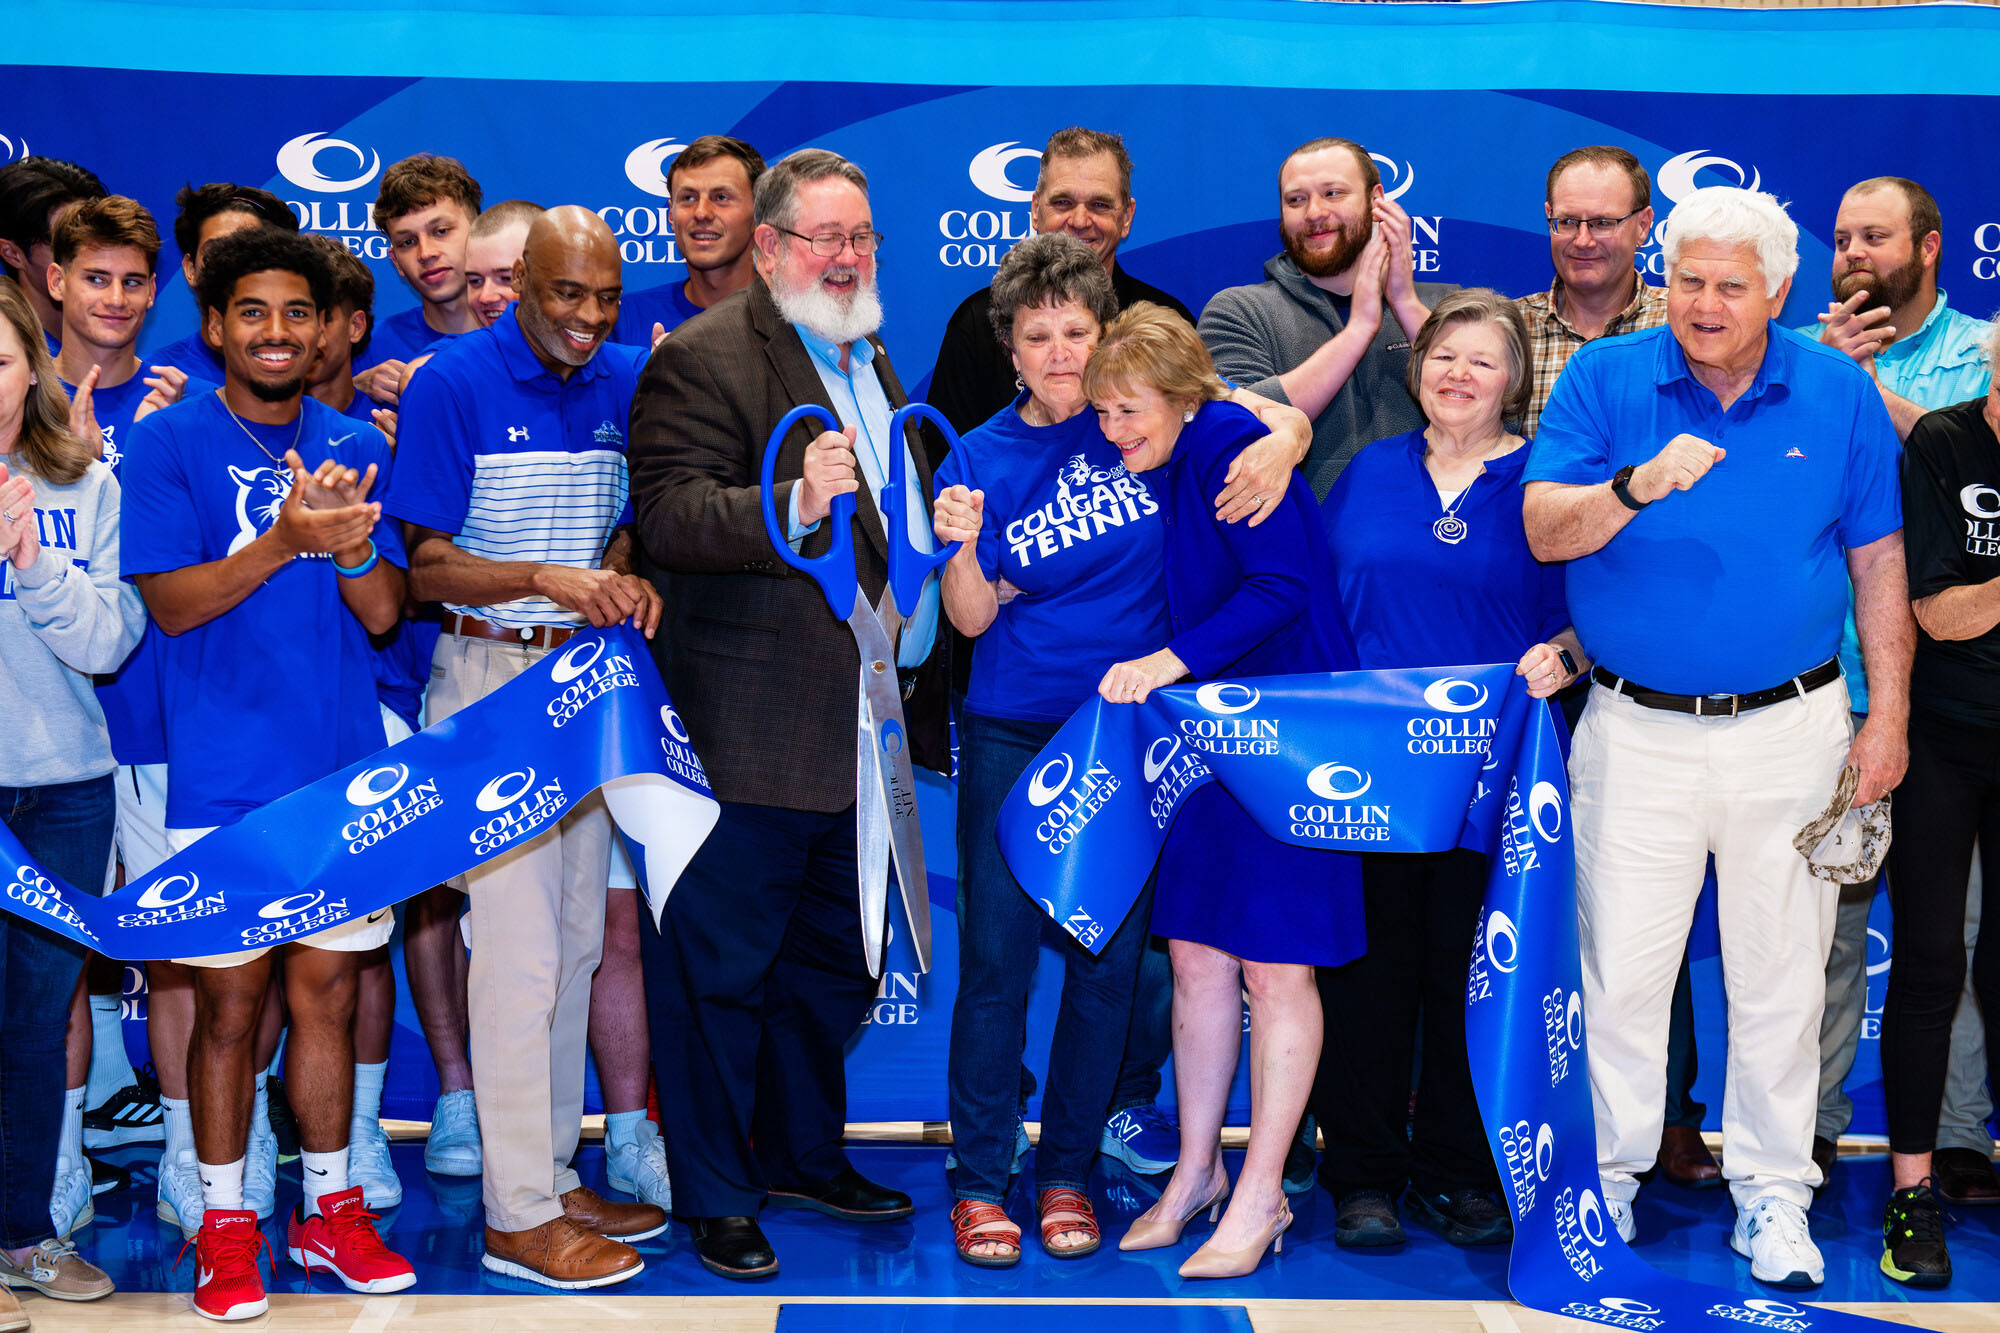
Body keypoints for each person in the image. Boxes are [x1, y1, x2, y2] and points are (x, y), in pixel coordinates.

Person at [1522, 186, 1911, 1290]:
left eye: (1728, 286)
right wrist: (1636, 483)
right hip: (1631, 730)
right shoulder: (1606, 378)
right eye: (1687, 279)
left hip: (1791, 728)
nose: (1702, 303)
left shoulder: (1836, 391)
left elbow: (1876, 563)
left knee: (1780, 977)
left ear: (1776, 292)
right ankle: (1602, 1184)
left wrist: (1882, 716)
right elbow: (1543, 524)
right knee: (1622, 973)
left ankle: (1774, 1199)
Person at [931, 233, 1312, 1267]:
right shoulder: (980, 453)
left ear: (1104, 337)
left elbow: (1260, 413)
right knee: (996, 964)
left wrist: (1284, 436)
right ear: (1006, 349)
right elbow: (966, 620)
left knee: (1108, 970)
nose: (1058, 354)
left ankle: (1063, 1172)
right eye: (1035, 335)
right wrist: (961, 542)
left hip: (1135, 735)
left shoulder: (1147, 422)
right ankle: (977, 1181)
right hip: (1013, 725)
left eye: (1075, 331)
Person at [627, 148, 948, 1281]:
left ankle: (801, 1151)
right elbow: (666, 517)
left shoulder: (870, 356)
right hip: (746, 734)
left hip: (869, 734)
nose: (850, 254)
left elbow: (886, 533)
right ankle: (715, 1192)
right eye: (826, 237)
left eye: (861, 234)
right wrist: (791, 500)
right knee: (717, 975)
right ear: (767, 250)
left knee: (832, 967)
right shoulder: (706, 358)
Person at [119, 228, 416, 1320]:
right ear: (214, 326)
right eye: (254, 313)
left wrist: (343, 544)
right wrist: (287, 537)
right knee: (230, 1008)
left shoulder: (350, 440)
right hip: (221, 780)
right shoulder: (168, 446)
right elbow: (172, 604)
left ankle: (332, 1213)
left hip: (341, 778)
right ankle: (228, 1223)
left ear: (326, 326)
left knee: (327, 994)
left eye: (297, 312)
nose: (277, 332)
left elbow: (384, 615)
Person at [385, 205, 667, 1290]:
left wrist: (620, 565)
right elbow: (426, 572)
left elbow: (628, 519)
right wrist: (548, 580)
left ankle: (549, 1171)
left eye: (605, 299)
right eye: (566, 295)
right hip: (491, 677)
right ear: (521, 284)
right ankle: (514, 1214)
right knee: (515, 952)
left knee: (577, 944)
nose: (588, 319)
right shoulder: (456, 381)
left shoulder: (624, 381)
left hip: (584, 685)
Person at [1083, 302, 1358, 1280]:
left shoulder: (1232, 444)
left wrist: (1164, 660)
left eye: (1124, 409)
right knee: (1197, 957)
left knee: (1277, 969)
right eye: (1101, 413)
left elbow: (1279, 586)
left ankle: (1261, 1187)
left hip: (1283, 740)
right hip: (1212, 734)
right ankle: (1195, 1170)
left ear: (1174, 393)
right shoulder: (1199, 439)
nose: (1112, 431)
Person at [1315, 289, 1580, 1248]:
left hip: (1493, 775)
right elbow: (1320, 604)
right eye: (1442, 356)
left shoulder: (1549, 481)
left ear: (1515, 381)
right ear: (1415, 367)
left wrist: (1571, 651)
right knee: (1367, 974)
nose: (1458, 374)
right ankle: (1364, 1175)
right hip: (1373, 776)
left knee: (1470, 972)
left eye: (1482, 360)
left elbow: (1590, 609)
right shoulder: (1370, 470)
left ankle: (1459, 1172)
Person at [1517, 146, 1714, 1191]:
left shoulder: (1688, 332)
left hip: (1651, 641)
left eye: (1602, 221)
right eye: (1564, 220)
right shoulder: (1504, 327)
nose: (1581, 239)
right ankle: (1527, 1105)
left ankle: (1667, 1114)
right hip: (1522, 641)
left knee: (1656, 903)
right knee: (1518, 889)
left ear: (1644, 224)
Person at [1801, 176, 1998, 1206]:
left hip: (1950, 687)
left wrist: (1873, 396)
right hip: (1820, 680)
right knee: (1823, 930)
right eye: (1837, 236)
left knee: (1949, 935)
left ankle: (1959, 1138)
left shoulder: (1982, 348)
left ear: (1928, 247)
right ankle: (1812, 1129)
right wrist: (1828, 380)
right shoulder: (1799, 353)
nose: (1849, 253)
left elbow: (1972, 458)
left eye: (1870, 235)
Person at [47, 196, 212, 1210]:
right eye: (95, 277)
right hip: (48, 742)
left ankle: (194, 1157)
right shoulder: (19, 409)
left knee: (185, 954)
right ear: (56, 281)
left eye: (133, 280)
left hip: (159, 726)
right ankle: (55, 1158)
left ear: (158, 291)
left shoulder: (188, 408)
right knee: (55, 961)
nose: (114, 298)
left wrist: (141, 459)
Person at [0, 275, 132, 1322]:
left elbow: (106, 642)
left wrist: (33, 558)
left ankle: (20, 1233)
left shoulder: (80, 477)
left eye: (0, 360)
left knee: (35, 1025)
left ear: (30, 368)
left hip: (62, 792)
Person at [1873, 318, 2000, 1287]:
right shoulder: (1943, 444)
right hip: (1945, 739)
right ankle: (1909, 1190)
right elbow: (1937, 610)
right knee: (1924, 965)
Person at [1199, 136, 1452, 498]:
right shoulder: (1238, 311)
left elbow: (1496, 417)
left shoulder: (1444, 307)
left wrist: (1404, 301)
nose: (1314, 212)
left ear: (1377, 201)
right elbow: (1235, 428)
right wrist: (1359, 329)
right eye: (1296, 200)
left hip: (1435, 539)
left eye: (1333, 193)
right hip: (1302, 547)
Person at [927, 127, 1192, 438]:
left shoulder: (1168, 323)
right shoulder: (976, 324)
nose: (1079, 221)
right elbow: (942, 462)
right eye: (1063, 203)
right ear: (1036, 210)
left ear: (1127, 217)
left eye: (1100, 205)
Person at [612, 135, 764, 346]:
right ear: (671, 216)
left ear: (759, 214)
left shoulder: (795, 322)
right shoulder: (623, 321)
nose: (701, 213)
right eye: (688, 198)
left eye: (721, 197)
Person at [357, 154, 484, 400]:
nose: (426, 253)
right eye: (408, 242)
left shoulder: (528, 337)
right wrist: (353, 390)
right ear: (396, 262)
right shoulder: (370, 348)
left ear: (480, 233)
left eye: (441, 231)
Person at [147, 184, 298, 386]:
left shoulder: (310, 375)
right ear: (190, 270)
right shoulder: (154, 378)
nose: (231, 267)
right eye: (216, 254)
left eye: (249, 253)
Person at [0, 157, 107, 349]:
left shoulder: (114, 340)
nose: (88, 255)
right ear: (12, 254)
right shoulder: (10, 357)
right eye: (68, 241)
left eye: (96, 238)